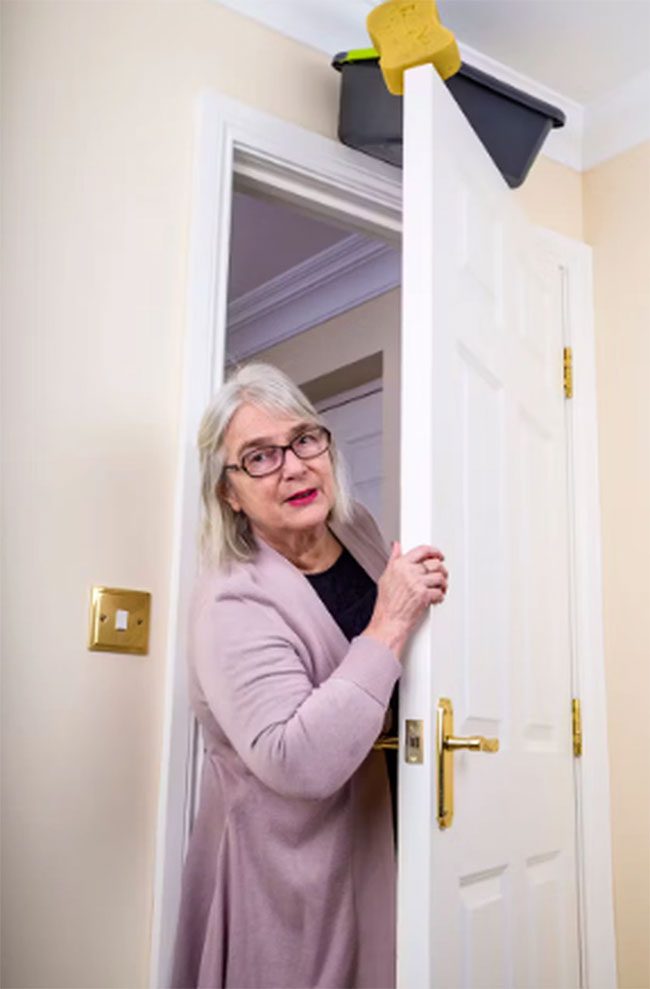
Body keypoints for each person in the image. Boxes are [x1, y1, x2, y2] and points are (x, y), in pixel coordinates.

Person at [170, 362, 448, 989]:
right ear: (229, 492)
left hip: (387, 827)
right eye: (259, 457)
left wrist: (421, 597)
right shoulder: (231, 601)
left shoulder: (358, 530)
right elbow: (296, 761)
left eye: (303, 439)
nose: (294, 466)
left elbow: (395, 666)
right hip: (290, 875)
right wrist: (391, 619)